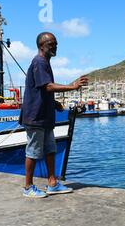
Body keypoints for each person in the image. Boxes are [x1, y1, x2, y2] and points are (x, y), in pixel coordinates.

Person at [20, 32, 88, 198]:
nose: (55, 46)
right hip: (35, 117)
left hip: (45, 116)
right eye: (51, 44)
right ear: (41, 46)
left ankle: (52, 183)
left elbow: (42, 90)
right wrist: (72, 86)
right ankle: (28, 187)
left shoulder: (45, 63)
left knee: (50, 149)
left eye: (55, 43)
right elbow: (47, 86)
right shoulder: (39, 62)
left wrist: (53, 103)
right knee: (33, 151)